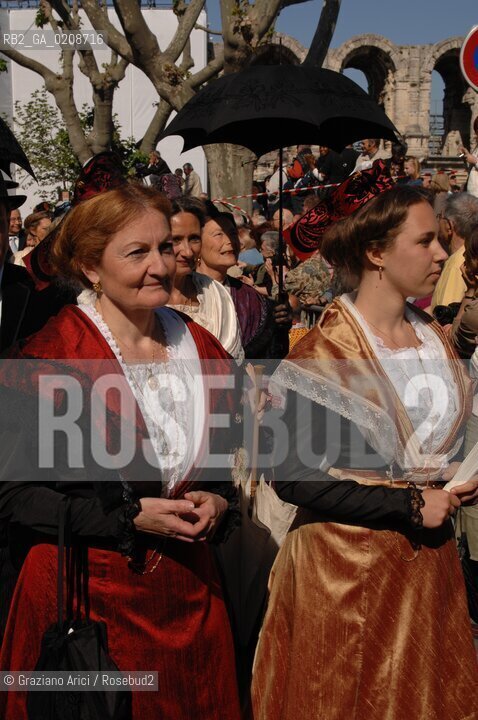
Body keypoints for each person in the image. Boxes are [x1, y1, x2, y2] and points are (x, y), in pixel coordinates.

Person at [0, 183, 241, 720]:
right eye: (138, 253)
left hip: (192, 598)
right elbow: (15, 497)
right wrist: (129, 517)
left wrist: (220, 502)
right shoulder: (51, 357)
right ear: (91, 268)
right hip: (89, 605)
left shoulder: (201, 347)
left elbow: (220, 463)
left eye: (165, 247)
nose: (162, 264)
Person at [252, 185, 478, 720]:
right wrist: (408, 505)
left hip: (427, 571)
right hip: (344, 572)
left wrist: (456, 477)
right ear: (376, 252)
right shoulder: (326, 352)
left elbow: (430, 444)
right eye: (424, 242)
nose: (442, 254)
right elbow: (291, 475)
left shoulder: (433, 338)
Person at [197, 207, 291, 359]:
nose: (230, 241)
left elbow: (270, 358)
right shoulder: (182, 293)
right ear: (197, 244)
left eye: (233, 234)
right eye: (219, 234)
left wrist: (279, 324)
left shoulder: (250, 298)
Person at [167, 196, 244, 360]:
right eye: (176, 240)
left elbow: (230, 363)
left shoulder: (216, 295)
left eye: (194, 238)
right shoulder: (143, 300)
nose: (187, 251)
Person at [460, 116, 478, 198]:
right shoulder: (476, 148)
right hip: (473, 195)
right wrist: (465, 157)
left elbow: (475, 162)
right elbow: (472, 170)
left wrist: (475, 161)